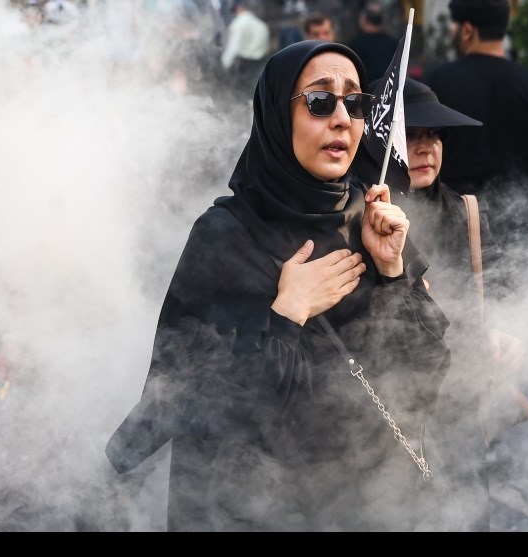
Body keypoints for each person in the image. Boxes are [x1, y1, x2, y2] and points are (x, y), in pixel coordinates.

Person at [105, 40, 467, 531]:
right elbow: (204, 409)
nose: (341, 118)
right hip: (259, 513)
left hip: (370, 505)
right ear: (278, 114)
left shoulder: (369, 216)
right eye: (320, 101)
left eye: (354, 102)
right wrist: (286, 316)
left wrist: (391, 271)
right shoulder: (228, 234)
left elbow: (424, 380)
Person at [398, 78, 528, 531]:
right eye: (411, 134)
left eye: (434, 136)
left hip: (458, 407)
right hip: (386, 414)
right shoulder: (351, 215)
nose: (426, 148)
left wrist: (501, 331)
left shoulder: (465, 211)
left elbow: (494, 288)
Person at [422, 0, 528, 245]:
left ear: (467, 30)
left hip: (455, 232)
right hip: (526, 234)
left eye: (455, 26)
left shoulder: (435, 84)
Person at [220, 0, 270, 97]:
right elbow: (266, 48)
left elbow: (234, 46)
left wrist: (225, 63)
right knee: (255, 94)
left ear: (238, 8)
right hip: (260, 64)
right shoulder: (261, 25)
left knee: (241, 96)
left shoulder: (238, 23)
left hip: (244, 66)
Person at [346, 2, 399, 84]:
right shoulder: (393, 43)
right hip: (387, 92)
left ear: (364, 19)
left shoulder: (355, 44)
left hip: (364, 92)